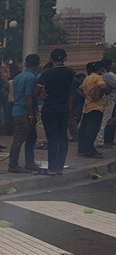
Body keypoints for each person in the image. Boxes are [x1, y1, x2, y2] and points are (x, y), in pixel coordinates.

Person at [33, 48, 74, 176]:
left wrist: (42, 95)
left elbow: (36, 92)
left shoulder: (47, 74)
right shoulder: (70, 73)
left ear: (51, 59)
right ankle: (59, 167)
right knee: (63, 137)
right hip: (63, 108)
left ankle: (51, 167)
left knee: (52, 139)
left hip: (49, 108)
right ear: (65, 58)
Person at [7, 54, 41, 173]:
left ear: (26, 64)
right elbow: (28, 97)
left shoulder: (18, 77)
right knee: (19, 139)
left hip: (17, 110)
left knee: (31, 138)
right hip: (25, 112)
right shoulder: (32, 78)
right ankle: (13, 165)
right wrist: (32, 115)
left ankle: (30, 162)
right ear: (38, 64)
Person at [77, 62, 108, 159]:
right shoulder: (98, 78)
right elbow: (103, 86)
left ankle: (82, 149)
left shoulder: (88, 78)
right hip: (97, 107)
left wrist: (87, 96)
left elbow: (79, 89)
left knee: (84, 129)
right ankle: (89, 151)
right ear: (99, 69)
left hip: (87, 107)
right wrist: (99, 96)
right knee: (93, 130)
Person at [95, 58, 116, 147]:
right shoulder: (108, 76)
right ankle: (99, 141)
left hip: (110, 100)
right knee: (105, 120)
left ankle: (105, 140)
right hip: (109, 100)